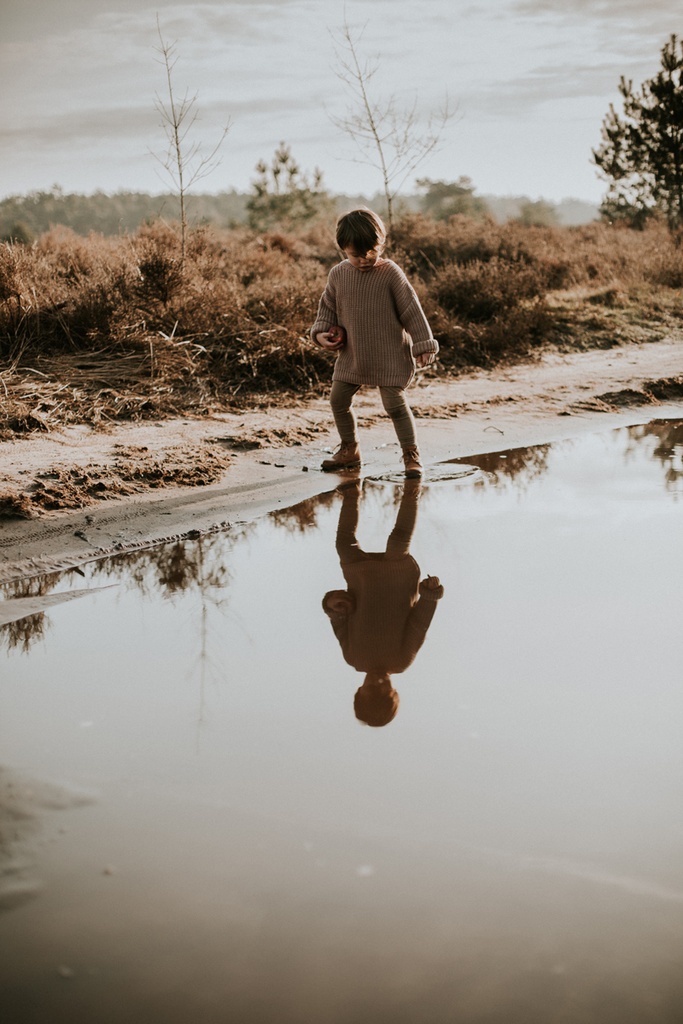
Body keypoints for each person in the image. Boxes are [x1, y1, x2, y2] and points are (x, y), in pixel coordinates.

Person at [311, 208, 439, 478]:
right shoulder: (338, 275)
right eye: (356, 255)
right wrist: (322, 333)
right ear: (343, 249)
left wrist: (424, 344)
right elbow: (327, 310)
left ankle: (411, 456)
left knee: (394, 405)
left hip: (390, 354)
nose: (365, 259)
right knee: (338, 399)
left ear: (380, 245)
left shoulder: (390, 273)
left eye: (372, 252)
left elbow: (411, 310)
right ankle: (350, 449)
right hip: (353, 354)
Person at [322, 479, 444, 727]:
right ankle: (412, 491)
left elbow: (338, 619)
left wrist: (332, 604)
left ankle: (351, 492)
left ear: (359, 690)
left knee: (344, 544)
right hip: (397, 581)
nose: (378, 681)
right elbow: (418, 624)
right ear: (394, 691)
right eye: (384, 688)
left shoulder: (354, 657)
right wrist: (429, 595)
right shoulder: (401, 660)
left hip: (362, 579)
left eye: (371, 689)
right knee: (398, 542)